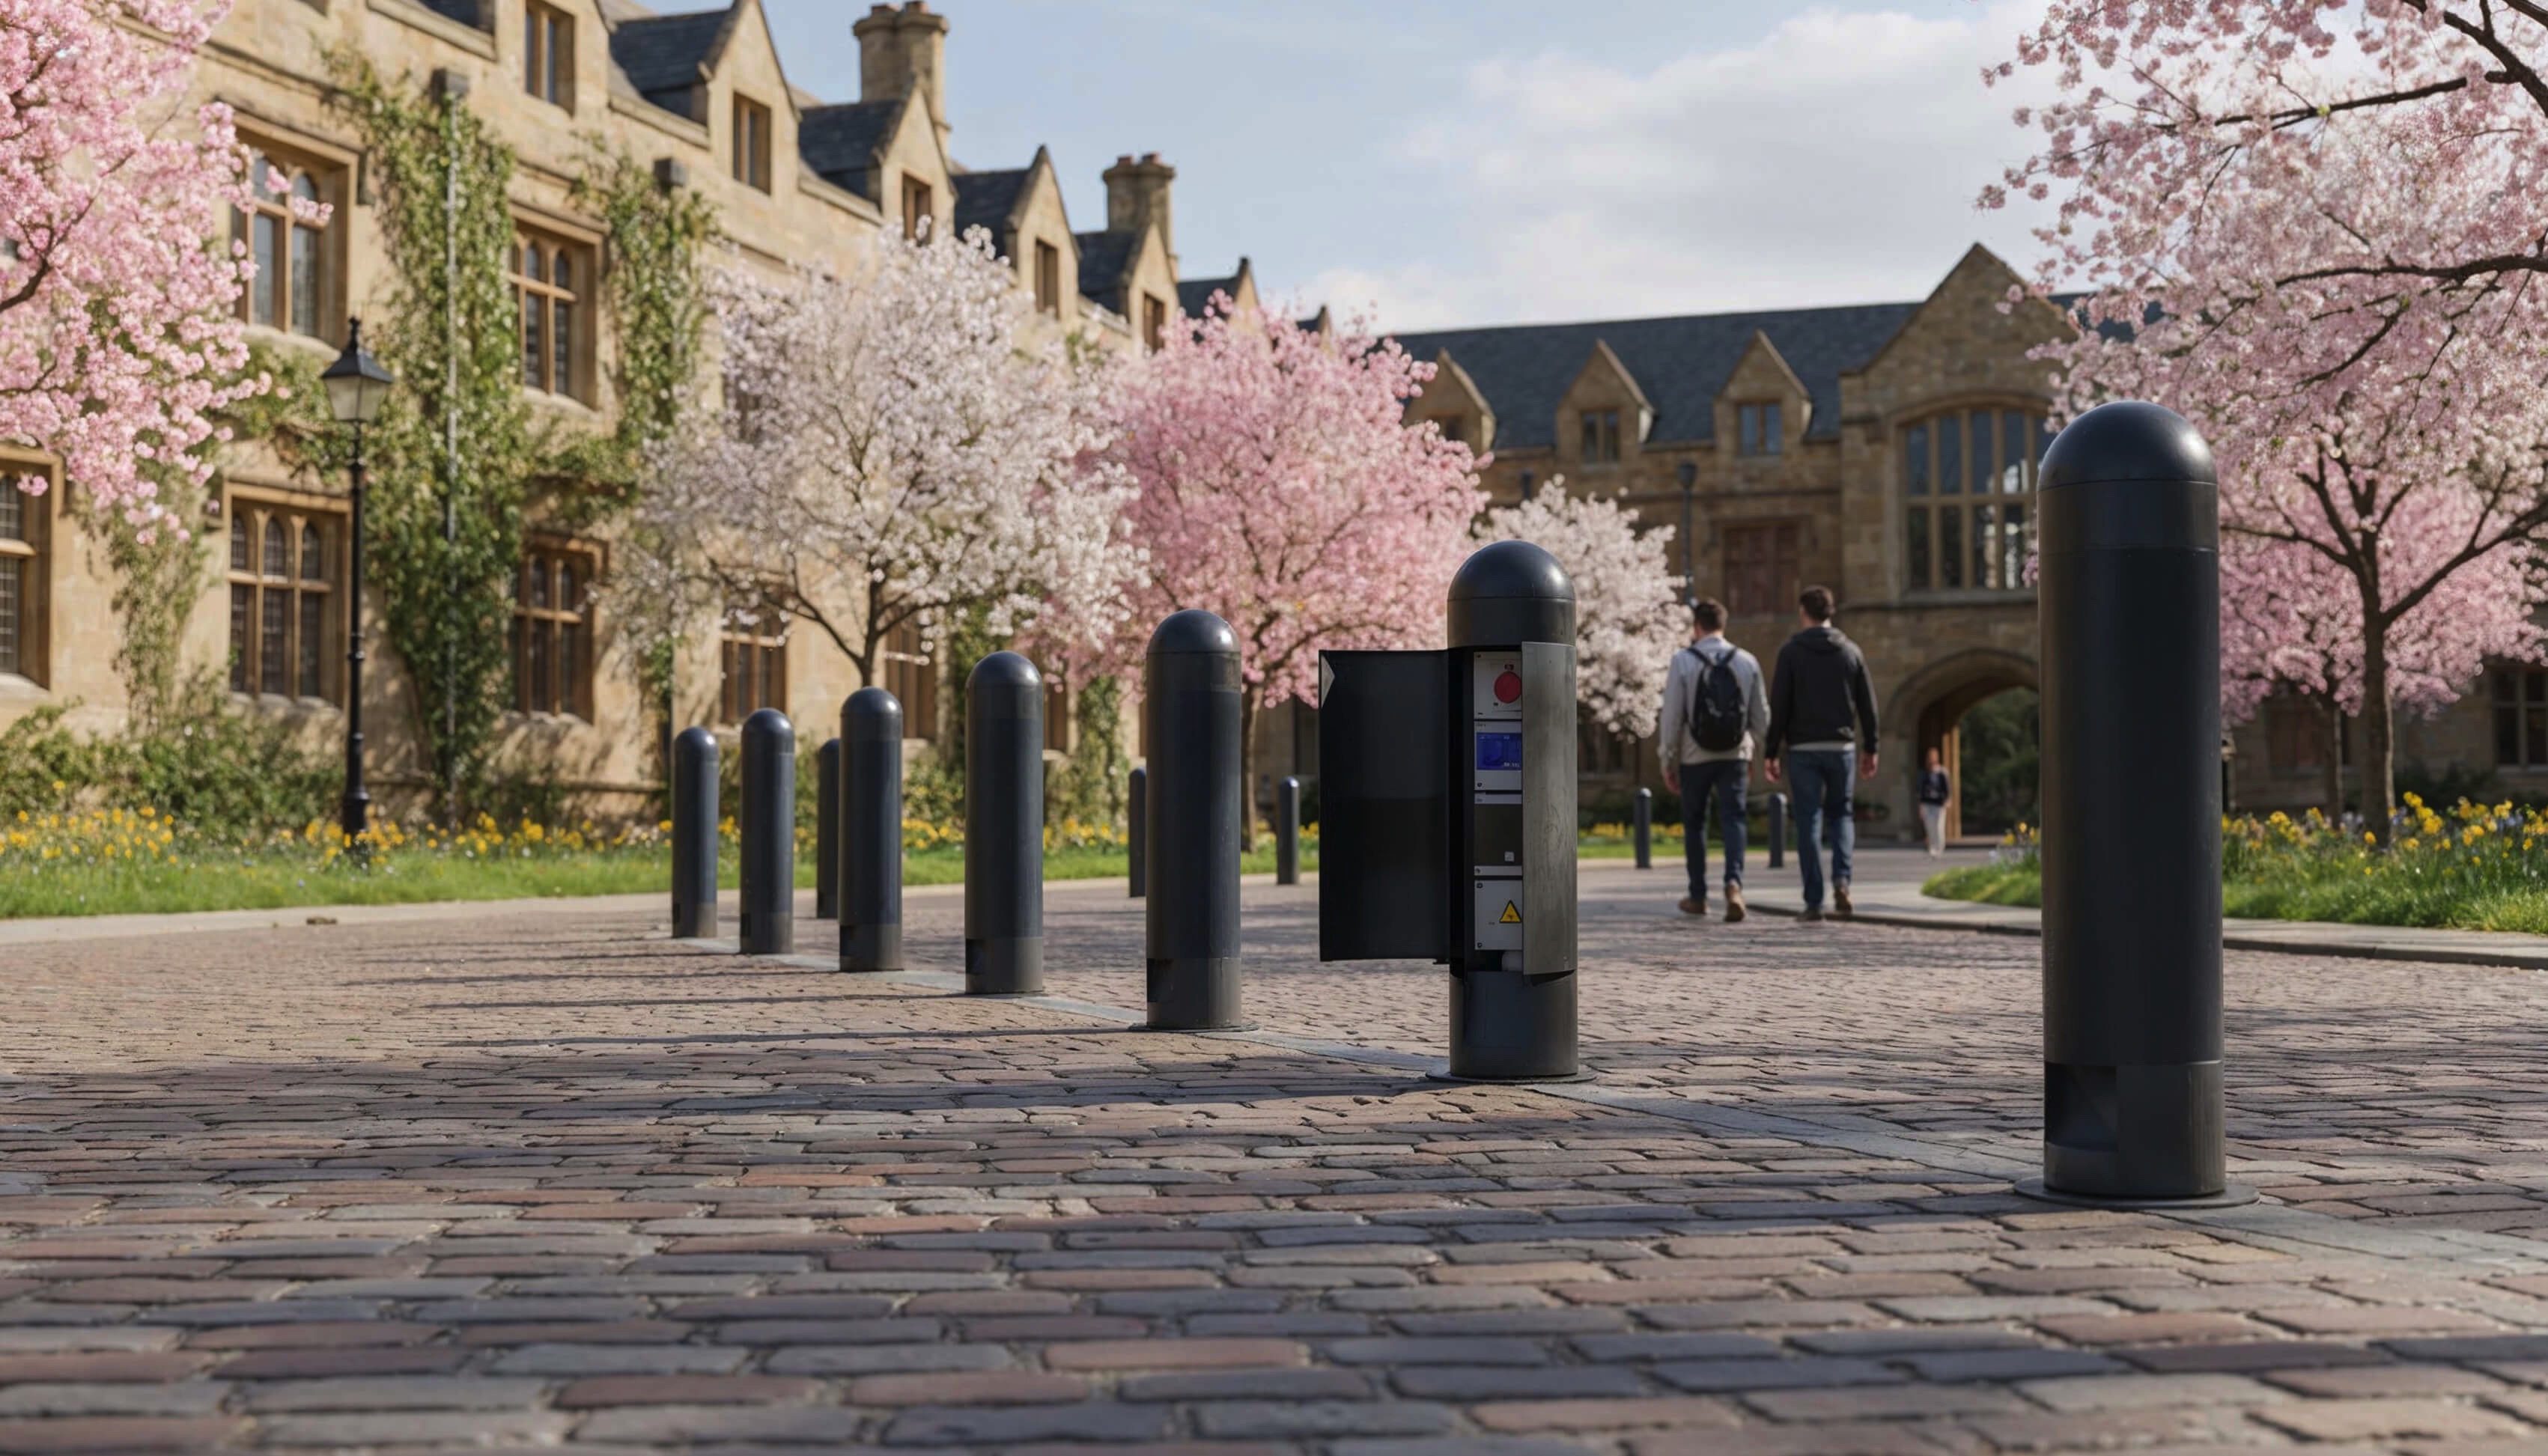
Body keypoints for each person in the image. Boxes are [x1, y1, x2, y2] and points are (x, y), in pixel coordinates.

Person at [1763, 585, 1879, 921]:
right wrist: (1871, 747)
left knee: (1809, 820)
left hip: (1803, 749)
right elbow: (1868, 705)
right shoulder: (1851, 652)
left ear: (1803, 612)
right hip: (1841, 747)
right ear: (1831, 612)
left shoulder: (1791, 653)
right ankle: (1842, 880)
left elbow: (1780, 706)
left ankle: (1814, 902)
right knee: (1842, 815)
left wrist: (1771, 751)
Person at [1659, 597, 1769, 922]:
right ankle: (1734, 884)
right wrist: (1759, 751)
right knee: (1734, 819)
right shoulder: (1747, 661)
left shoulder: (1683, 660)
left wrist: (1668, 760)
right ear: (1723, 624)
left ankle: (1698, 896)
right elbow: (1761, 716)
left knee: (1696, 824)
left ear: (1697, 627)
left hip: (1694, 757)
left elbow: (1672, 716)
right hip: (1735, 754)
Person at [1918, 748, 1950, 856]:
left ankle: (1939, 847)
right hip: (1927, 803)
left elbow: (1947, 788)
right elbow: (1921, 790)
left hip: (1939, 803)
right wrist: (1920, 806)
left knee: (1939, 826)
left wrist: (1947, 799)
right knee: (1930, 827)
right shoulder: (1924, 773)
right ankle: (1932, 847)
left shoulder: (1942, 772)